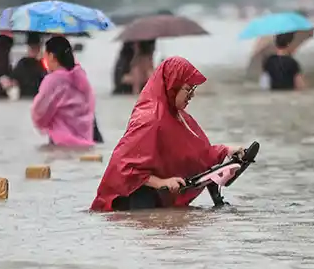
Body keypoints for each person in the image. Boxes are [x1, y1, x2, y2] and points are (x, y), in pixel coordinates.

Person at [91, 56, 242, 212]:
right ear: (173, 85)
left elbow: (197, 153)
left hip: (157, 199)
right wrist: (160, 182)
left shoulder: (178, 116)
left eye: (193, 89)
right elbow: (123, 167)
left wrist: (227, 150)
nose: (192, 95)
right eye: (188, 89)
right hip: (133, 200)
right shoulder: (149, 118)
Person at [31, 36, 96, 147]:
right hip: (86, 142)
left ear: (51, 56)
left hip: (61, 143)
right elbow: (90, 105)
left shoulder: (53, 80)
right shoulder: (81, 77)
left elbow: (39, 112)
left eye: (45, 55)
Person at [10, 32, 47, 99]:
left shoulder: (41, 62)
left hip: (27, 97)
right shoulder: (42, 63)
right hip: (34, 97)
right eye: (33, 48)